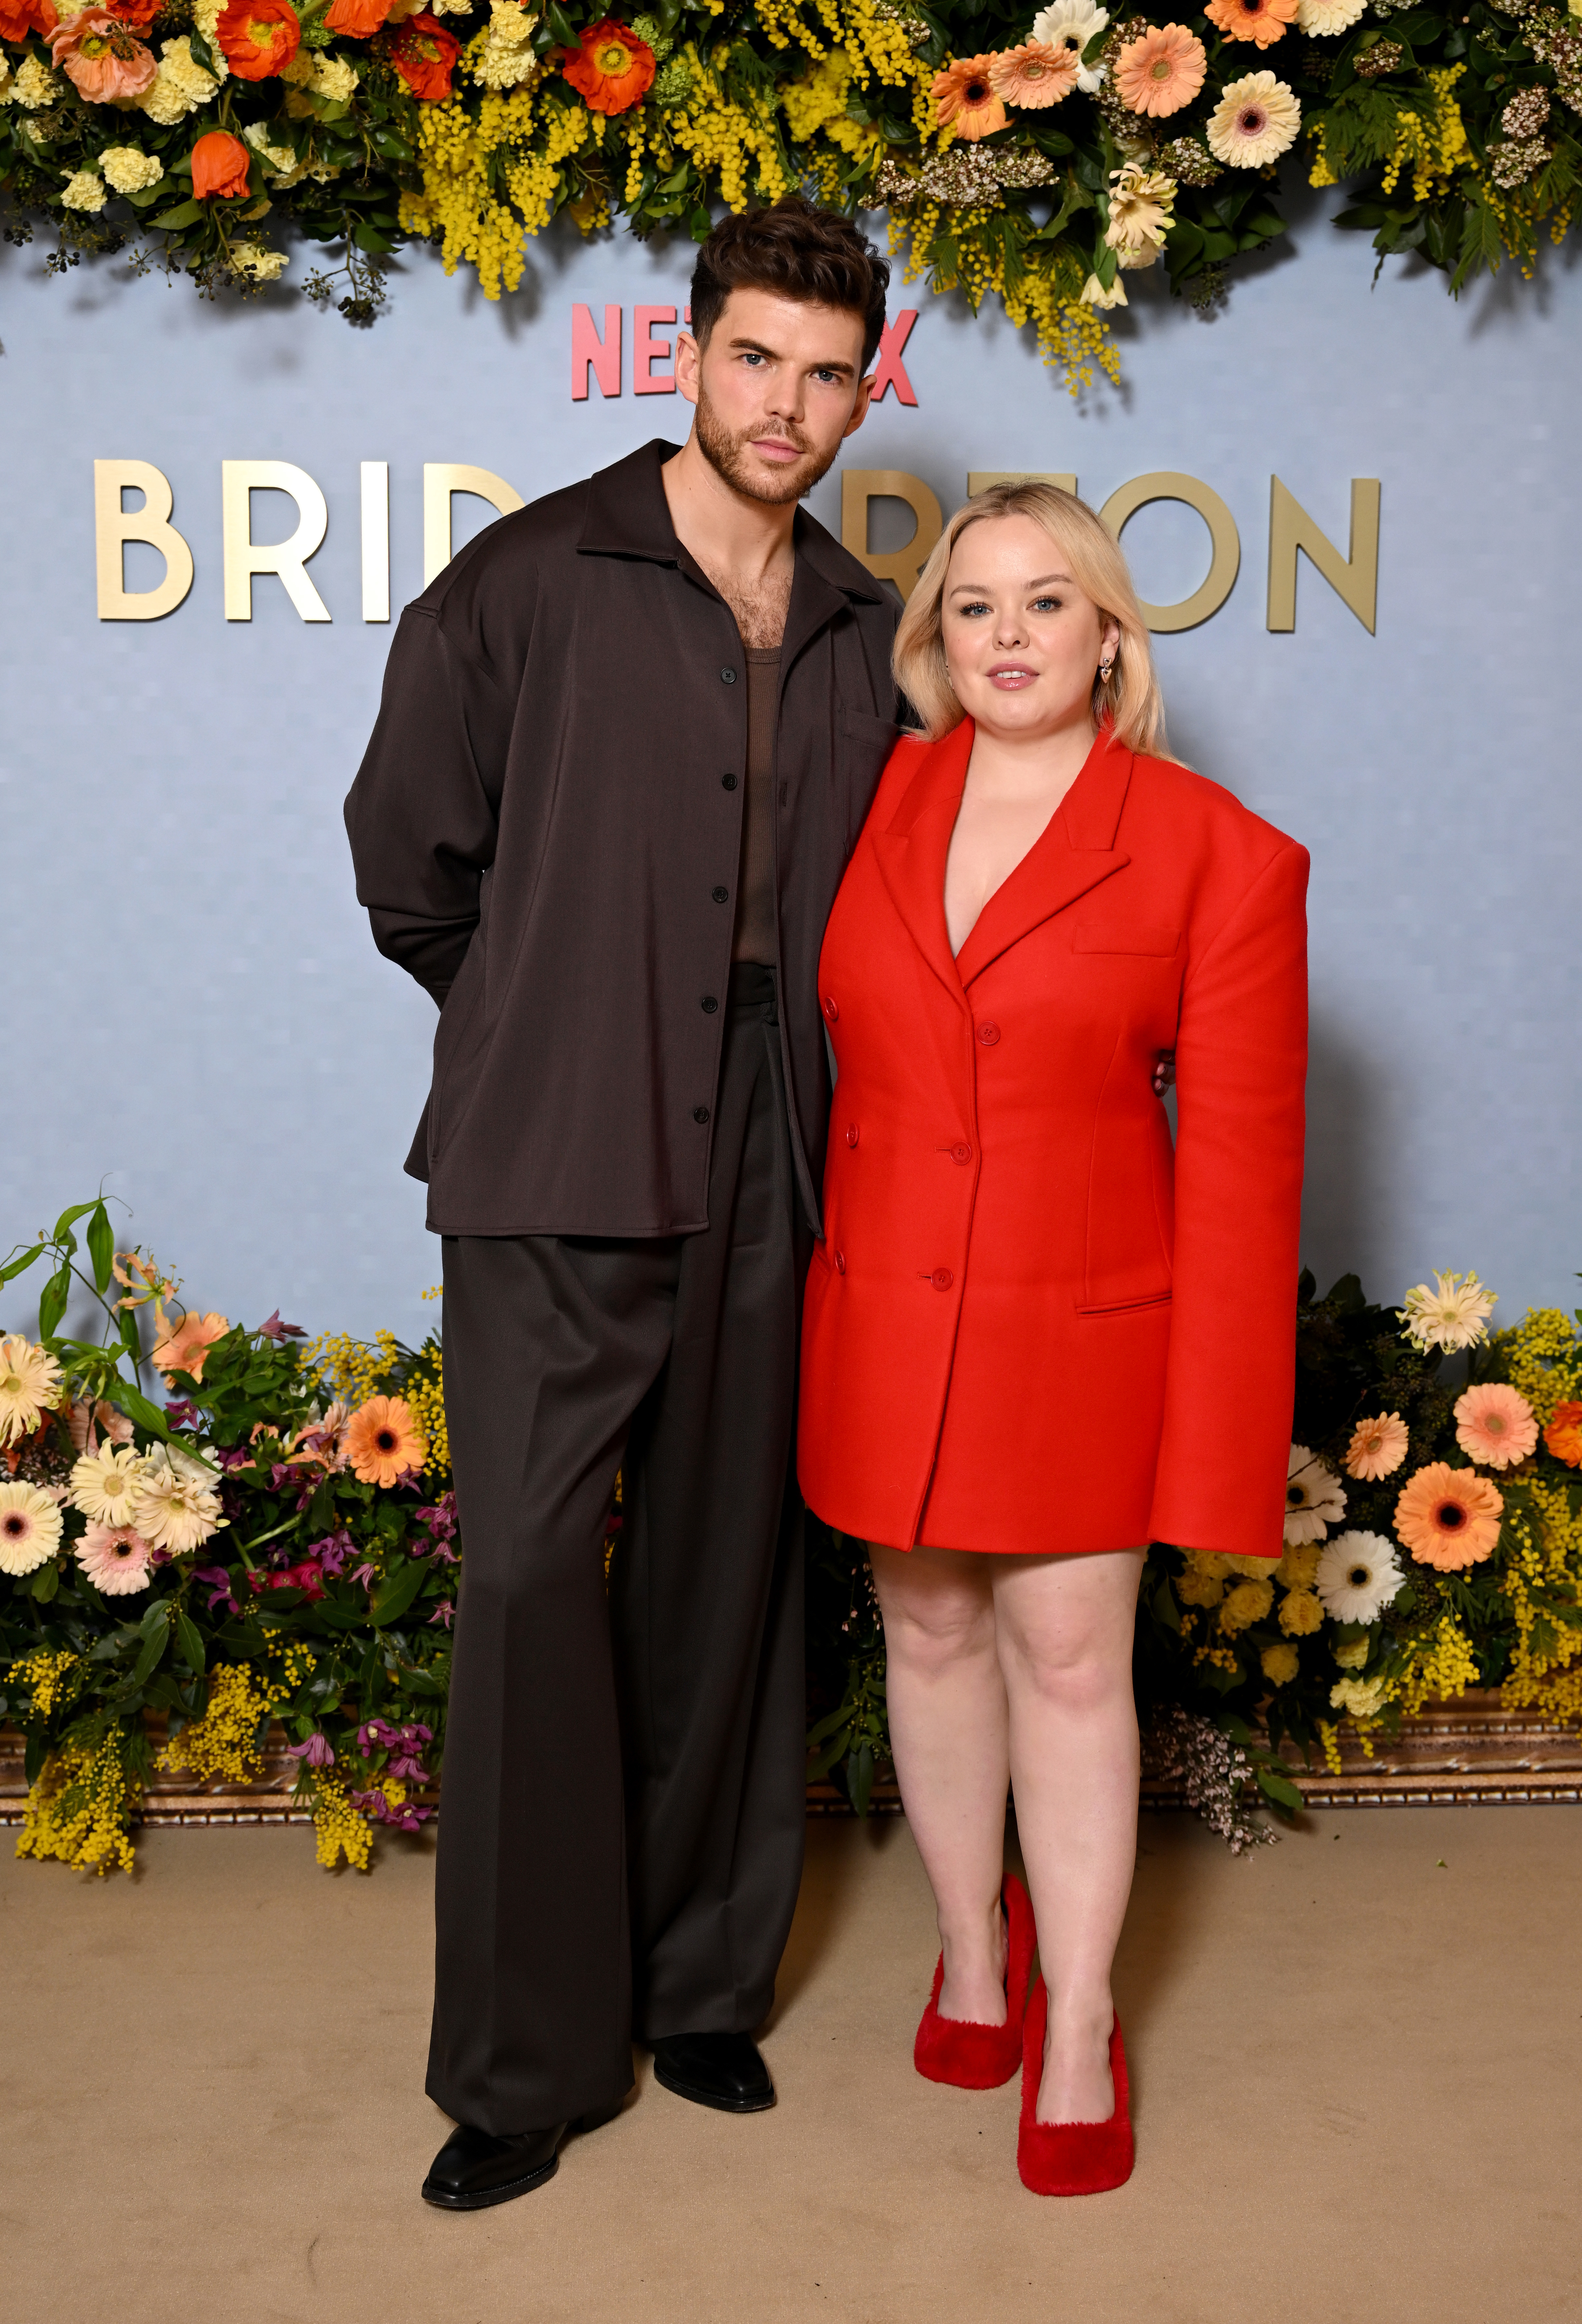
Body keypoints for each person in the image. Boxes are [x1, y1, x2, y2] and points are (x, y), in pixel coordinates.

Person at [344, 197, 900, 2210]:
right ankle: (519, 2063)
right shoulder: (526, 578)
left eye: (828, 371)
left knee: (724, 1575)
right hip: (555, 1130)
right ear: (688, 356)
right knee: (523, 1588)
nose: (790, 403)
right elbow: (411, 862)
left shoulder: (858, 622)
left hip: (777, 1135)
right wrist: (542, 1013)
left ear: (865, 385)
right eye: (757, 358)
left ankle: (696, 1988)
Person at [797, 481, 1308, 2195]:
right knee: (927, 1641)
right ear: (933, 640)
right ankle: (968, 1949)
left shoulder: (1214, 851)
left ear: (1109, 634)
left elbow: (1239, 1179)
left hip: (1084, 1333)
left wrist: (1215, 1442)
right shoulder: (866, 802)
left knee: (1073, 1665)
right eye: (972, 606)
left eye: (1045, 602)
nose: (1007, 635)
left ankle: (1078, 2020)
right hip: (881, 1312)